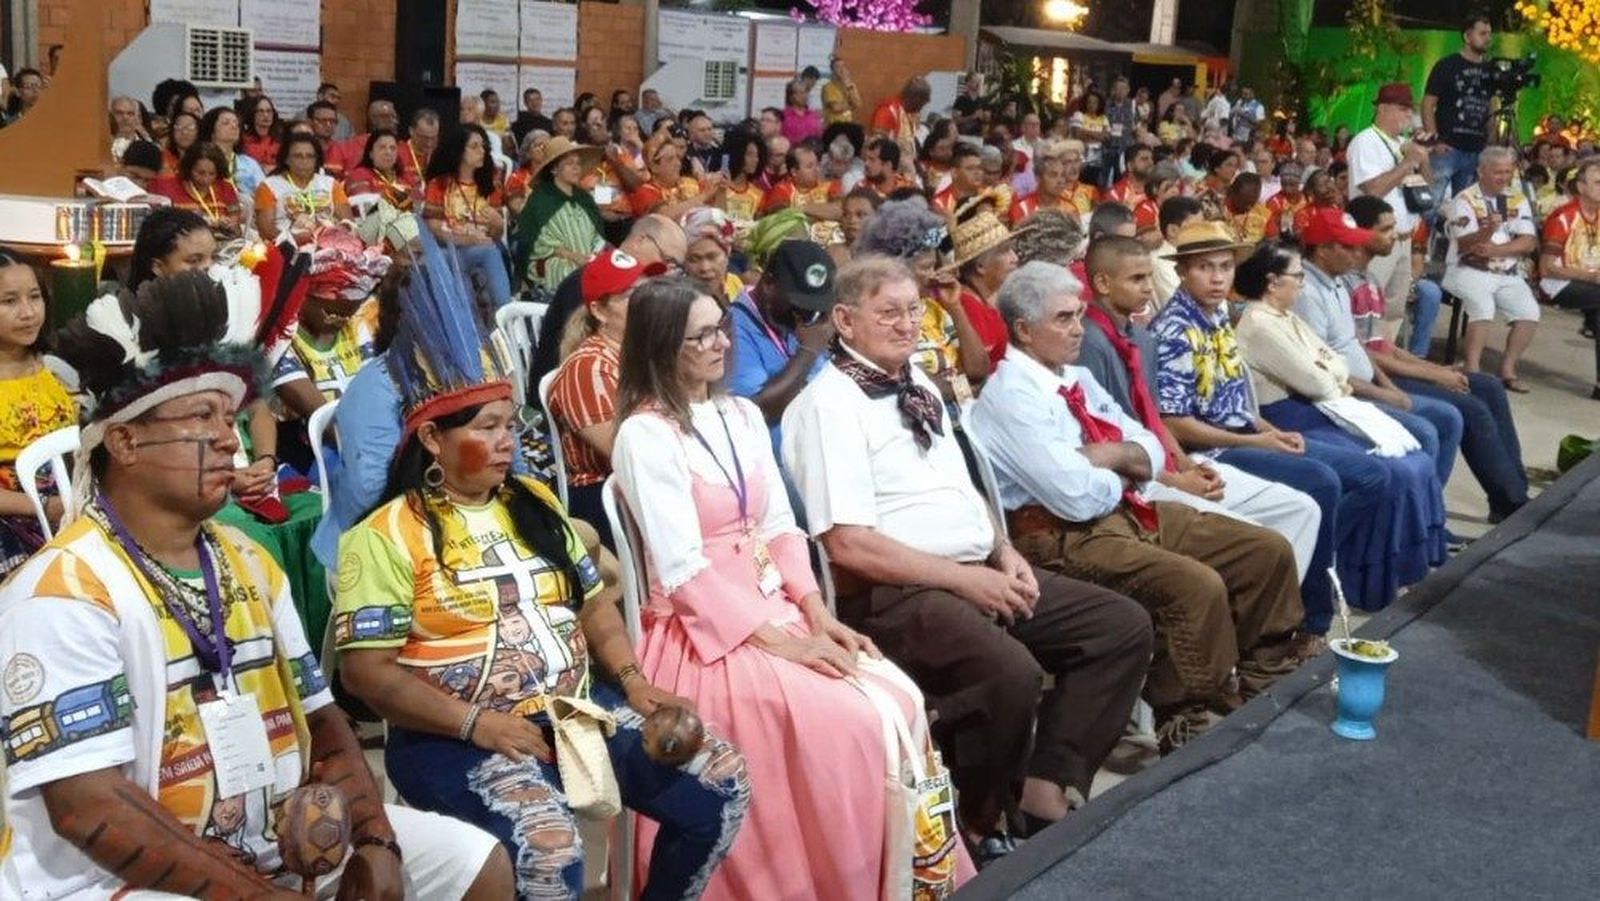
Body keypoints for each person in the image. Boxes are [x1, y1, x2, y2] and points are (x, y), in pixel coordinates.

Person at [2, 269, 513, 898]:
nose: (228, 440)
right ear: (125, 441)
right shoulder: (63, 589)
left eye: (230, 418)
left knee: (472, 862)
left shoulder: (245, 558)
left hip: (269, 836)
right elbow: (88, 809)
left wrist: (376, 839)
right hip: (111, 878)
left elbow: (325, 721)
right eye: (202, 418)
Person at [334, 238, 745, 900]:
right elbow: (366, 673)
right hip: (453, 739)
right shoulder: (385, 534)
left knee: (719, 782)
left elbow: (591, 607)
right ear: (433, 438)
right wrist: (478, 724)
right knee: (548, 848)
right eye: (488, 427)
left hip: (571, 711)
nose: (506, 441)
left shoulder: (533, 503)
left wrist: (637, 684)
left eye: (508, 424)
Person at [782, 256, 1154, 857]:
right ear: (845, 321)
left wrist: (1004, 551)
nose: (907, 325)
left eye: (911, 310)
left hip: (973, 566)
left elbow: (968, 488)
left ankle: (1043, 782)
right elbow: (847, 546)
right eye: (889, 313)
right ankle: (978, 825)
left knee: (1119, 627)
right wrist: (965, 580)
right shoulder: (827, 405)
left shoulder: (919, 382)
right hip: (892, 592)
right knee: (1009, 673)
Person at [611, 276, 960, 897]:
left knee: (900, 697)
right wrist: (783, 643)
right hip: (709, 634)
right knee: (849, 722)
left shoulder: (740, 412)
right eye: (701, 336)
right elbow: (684, 569)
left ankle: (898, 878)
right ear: (663, 348)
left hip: (773, 607)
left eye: (721, 326)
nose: (722, 343)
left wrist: (816, 612)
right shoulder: (645, 434)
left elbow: (777, 526)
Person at [970, 261, 1305, 753]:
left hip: (1126, 512)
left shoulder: (1078, 377)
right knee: (1195, 584)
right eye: (1063, 318)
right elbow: (1072, 495)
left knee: (1265, 550)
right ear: (1023, 329)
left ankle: (1263, 677)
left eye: (1079, 314)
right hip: (1058, 536)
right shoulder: (1008, 398)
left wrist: (1109, 457)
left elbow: (1148, 444)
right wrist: (1125, 465)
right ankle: (1190, 715)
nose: (1077, 328)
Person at [1152, 221, 1384, 625]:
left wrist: (1267, 430)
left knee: (1369, 473)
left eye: (1225, 266)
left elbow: (1233, 399)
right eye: (1205, 268)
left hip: (1245, 433)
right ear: (1181, 272)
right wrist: (1257, 443)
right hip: (1211, 450)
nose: (1218, 277)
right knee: (1323, 482)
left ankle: (1310, 576)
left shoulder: (1218, 314)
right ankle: (1310, 617)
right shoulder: (1175, 329)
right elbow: (1176, 423)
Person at [1076, 236, 1324, 592]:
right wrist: (1177, 479)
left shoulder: (1141, 337)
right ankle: (1255, 631)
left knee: (1301, 509)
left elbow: (1154, 419)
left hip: (1172, 462)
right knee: (1258, 540)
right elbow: (1106, 438)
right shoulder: (1090, 342)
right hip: (1136, 481)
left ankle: (1272, 627)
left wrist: (1188, 466)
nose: (1149, 288)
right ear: (1101, 283)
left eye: (1149, 277)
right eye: (1137, 279)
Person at [1232, 238, 1447, 608]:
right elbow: (1318, 380)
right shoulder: (1259, 323)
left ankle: (1390, 570)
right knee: (1389, 473)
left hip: (1324, 405)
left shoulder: (1287, 317)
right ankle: (1341, 568)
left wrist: (1331, 374)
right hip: (1293, 415)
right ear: (1272, 282)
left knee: (1416, 459)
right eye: (1297, 276)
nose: (1302, 282)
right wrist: (1330, 374)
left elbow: (1336, 364)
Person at [1343, 197, 1529, 521]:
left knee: (1487, 387)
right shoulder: (1345, 283)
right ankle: (1511, 503)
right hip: (1371, 377)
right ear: (1361, 233)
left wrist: (1431, 367)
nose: (1396, 235)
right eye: (1386, 229)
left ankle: (1514, 494)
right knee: (1470, 407)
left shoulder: (1369, 278)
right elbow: (1363, 353)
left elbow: (1383, 344)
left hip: (1385, 365)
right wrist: (1433, 377)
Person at [548, 248, 664, 537]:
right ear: (599, 310)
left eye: (647, 291)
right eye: (630, 295)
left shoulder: (647, 352)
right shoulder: (588, 368)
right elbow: (625, 452)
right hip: (606, 499)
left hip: (648, 483)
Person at [529, 215, 686, 392]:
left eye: (676, 268)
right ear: (641, 241)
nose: (667, 272)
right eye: (667, 259)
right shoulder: (590, 282)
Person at [856, 197, 989, 404]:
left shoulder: (935, 308)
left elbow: (979, 369)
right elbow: (922, 387)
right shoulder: (885, 320)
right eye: (926, 267)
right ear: (896, 269)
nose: (935, 274)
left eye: (934, 266)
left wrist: (955, 307)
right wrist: (971, 389)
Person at [1440, 146, 1541, 391]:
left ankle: (1508, 369)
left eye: (1508, 171)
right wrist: (1488, 231)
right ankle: (1472, 369)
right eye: (1498, 172)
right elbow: (1465, 244)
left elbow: (1528, 241)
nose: (1504, 177)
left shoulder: (1517, 198)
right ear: (1481, 171)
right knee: (1483, 309)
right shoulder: (1463, 199)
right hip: (1467, 269)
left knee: (1529, 312)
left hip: (1506, 270)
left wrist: (1497, 250)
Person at [0, 251, 74, 577]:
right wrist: (45, 508)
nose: (28, 313)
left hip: (66, 503)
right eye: (9, 301)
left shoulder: (55, 369)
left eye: (34, 297)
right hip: (11, 516)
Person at [727, 241, 837, 450]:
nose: (804, 314)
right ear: (768, 283)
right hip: (774, 469)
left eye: (815, 306)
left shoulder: (801, 318)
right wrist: (807, 352)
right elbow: (756, 413)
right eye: (798, 304)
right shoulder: (734, 327)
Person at [1347, 84, 1431, 339]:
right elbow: (1373, 190)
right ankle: (1360, 363)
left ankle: (1384, 360)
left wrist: (1422, 156)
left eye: (1410, 110)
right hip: (1375, 237)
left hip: (1404, 238)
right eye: (1402, 109)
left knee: (1393, 311)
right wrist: (1408, 163)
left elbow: (1430, 184)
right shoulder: (1366, 141)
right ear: (1382, 109)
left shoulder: (1403, 144)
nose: (1408, 115)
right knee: (1366, 305)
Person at [424, 124, 512, 309]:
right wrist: (467, 239)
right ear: (458, 151)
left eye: (483, 146)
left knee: (492, 249)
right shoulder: (439, 184)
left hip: (481, 247)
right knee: (483, 251)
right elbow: (434, 228)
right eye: (474, 146)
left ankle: (503, 312)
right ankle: (498, 314)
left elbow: (494, 235)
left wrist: (498, 224)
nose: (482, 151)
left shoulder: (490, 183)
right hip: (448, 249)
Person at [1540, 155, 1600, 400]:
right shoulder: (1563, 216)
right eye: (1598, 183)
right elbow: (1547, 268)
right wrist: (1591, 276)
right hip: (1558, 283)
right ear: (1581, 187)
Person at [514, 135, 606, 295]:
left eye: (578, 163)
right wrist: (572, 256)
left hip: (587, 258)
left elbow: (597, 235)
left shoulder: (584, 198)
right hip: (552, 263)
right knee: (573, 273)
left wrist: (594, 254)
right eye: (569, 163)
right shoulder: (540, 199)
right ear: (554, 169)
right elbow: (534, 242)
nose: (576, 168)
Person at [1423, 15, 1496, 199]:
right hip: (1447, 147)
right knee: (1431, 203)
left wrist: (1490, 142)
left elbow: (1491, 106)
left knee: (1466, 208)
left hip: (1476, 150)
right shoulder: (1447, 65)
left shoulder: (1490, 70)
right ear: (1467, 36)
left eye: (1489, 34)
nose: (1487, 38)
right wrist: (1434, 140)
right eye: (1482, 33)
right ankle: (1424, 229)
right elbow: (1428, 103)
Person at [954, 198, 1022, 371]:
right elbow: (977, 372)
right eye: (1005, 251)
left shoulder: (982, 301)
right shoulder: (967, 305)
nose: (1015, 258)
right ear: (980, 267)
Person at [255, 133, 351, 242]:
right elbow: (266, 231)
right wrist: (294, 239)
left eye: (310, 156)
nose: (304, 161)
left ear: (316, 160)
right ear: (286, 159)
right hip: (286, 247)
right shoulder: (268, 186)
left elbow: (348, 223)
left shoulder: (331, 184)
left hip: (329, 244)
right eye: (298, 156)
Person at [150, 142, 244, 239]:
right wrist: (207, 222)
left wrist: (229, 224)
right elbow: (161, 224)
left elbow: (235, 227)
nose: (205, 179)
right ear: (189, 168)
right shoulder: (166, 187)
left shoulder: (225, 188)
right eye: (200, 173)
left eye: (212, 174)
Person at [630, 132, 719, 221]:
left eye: (678, 157)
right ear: (654, 167)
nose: (678, 163)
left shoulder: (689, 183)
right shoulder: (645, 193)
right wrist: (704, 196)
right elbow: (664, 216)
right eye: (670, 159)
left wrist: (719, 189)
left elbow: (718, 214)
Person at [870, 77, 931, 180]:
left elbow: (909, 150)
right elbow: (877, 150)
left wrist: (919, 170)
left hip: (907, 177)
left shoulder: (909, 115)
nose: (921, 108)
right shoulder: (887, 111)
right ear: (916, 98)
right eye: (922, 104)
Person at [681, 206, 743, 305]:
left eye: (712, 257)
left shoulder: (734, 284)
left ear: (727, 256)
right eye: (694, 259)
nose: (704, 268)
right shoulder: (678, 300)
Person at [1151, 196, 1204, 307]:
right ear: (1173, 231)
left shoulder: (1195, 257)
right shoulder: (1160, 264)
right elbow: (1181, 307)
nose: (1203, 233)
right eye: (1195, 228)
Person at [718, 128, 768, 225]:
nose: (756, 160)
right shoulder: (715, 186)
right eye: (749, 154)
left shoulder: (759, 194)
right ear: (736, 154)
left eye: (757, 155)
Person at [932, 143, 985, 215]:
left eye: (980, 168)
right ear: (954, 173)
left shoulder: (988, 195)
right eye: (970, 168)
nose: (977, 172)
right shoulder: (941, 203)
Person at [1266, 162, 1308, 240]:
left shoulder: (1307, 200)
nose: (1287, 189)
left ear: (1299, 184)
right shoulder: (1273, 202)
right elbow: (1271, 231)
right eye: (1284, 184)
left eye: (1292, 184)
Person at [239, 94, 281, 167]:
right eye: (261, 111)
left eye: (269, 111)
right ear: (252, 114)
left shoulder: (280, 139)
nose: (266, 115)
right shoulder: (242, 140)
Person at [820, 56, 863, 125]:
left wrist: (848, 85)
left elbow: (858, 104)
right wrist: (852, 105)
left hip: (847, 124)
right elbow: (836, 108)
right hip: (833, 125)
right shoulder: (828, 87)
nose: (842, 69)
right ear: (832, 70)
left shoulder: (850, 85)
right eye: (838, 67)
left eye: (843, 66)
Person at [399, 108, 442, 176]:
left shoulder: (442, 154)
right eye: (424, 138)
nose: (429, 143)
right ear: (411, 131)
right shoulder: (397, 153)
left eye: (433, 138)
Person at [684, 111, 725, 177]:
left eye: (709, 129)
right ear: (692, 134)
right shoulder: (686, 153)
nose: (707, 133)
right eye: (702, 130)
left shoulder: (720, 152)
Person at [162, 110, 200, 176]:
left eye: (190, 127)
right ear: (172, 132)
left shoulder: (206, 159)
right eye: (179, 127)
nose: (184, 132)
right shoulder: (162, 158)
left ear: (198, 131)